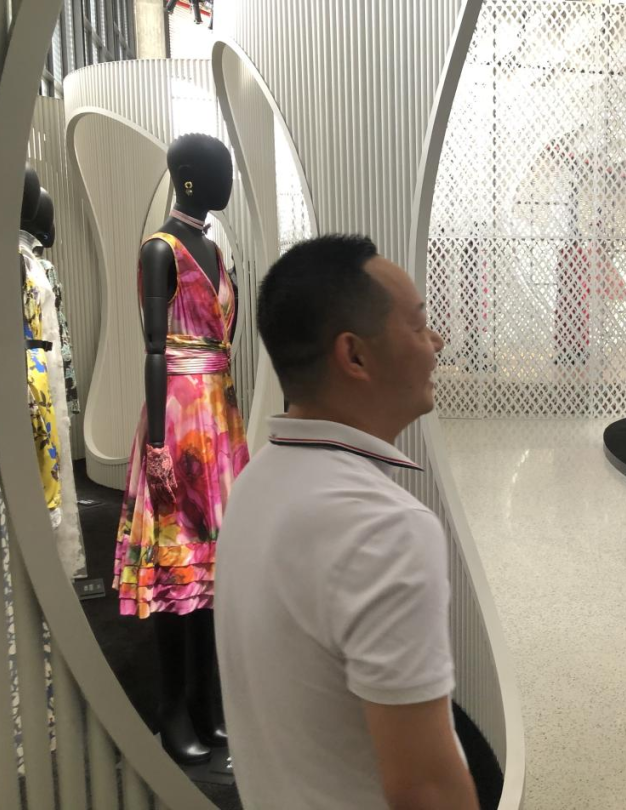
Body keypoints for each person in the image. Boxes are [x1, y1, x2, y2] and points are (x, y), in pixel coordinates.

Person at [214, 235, 478, 810]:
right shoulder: (384, 528)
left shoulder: (256, 482)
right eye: (418, 325)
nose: (437, 342)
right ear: (354, 356)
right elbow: (426, 790)